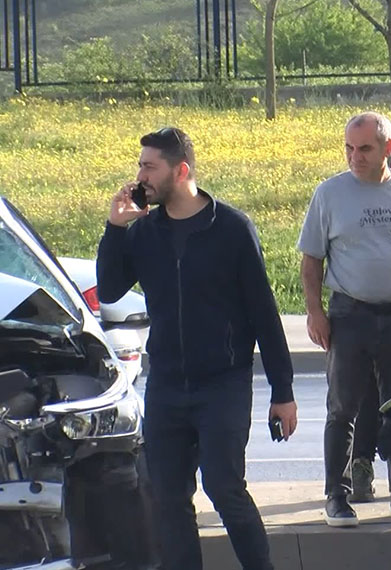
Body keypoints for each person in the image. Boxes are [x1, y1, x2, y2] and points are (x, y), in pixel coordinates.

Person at [97, 127, 297, 570]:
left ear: (180, 170)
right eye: (140, 165)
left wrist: (283, 391)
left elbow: (264, 312)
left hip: (221, 382)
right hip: (166, 383)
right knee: (168, 497)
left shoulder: (230, 228)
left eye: (150, 166)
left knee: (225, 487)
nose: (140, 176)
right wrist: (115, 227)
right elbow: (109, 290)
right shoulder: (145, 231)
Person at [297, 112, 391, 527]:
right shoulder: (330, 194)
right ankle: (338, 494)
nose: (355, 156)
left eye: (365, 148)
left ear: (388, 149)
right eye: (349, 148)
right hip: (350, 312)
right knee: (343, 406)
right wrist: (315, 312)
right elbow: (311, 259)